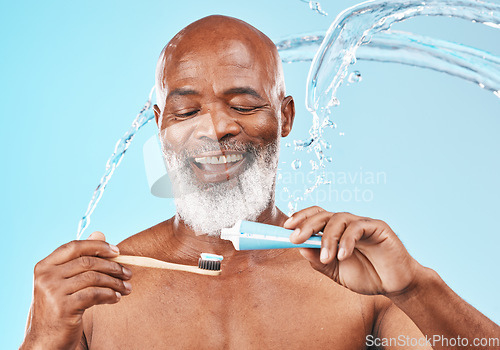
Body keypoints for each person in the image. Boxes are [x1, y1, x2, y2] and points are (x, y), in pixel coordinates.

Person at [21, 15, 499, 350]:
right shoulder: (99, 292)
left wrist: (415, 287)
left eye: (244, 105)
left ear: (285, 117)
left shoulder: (356, 287)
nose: (215, 129)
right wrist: (41, 339)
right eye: (187, 110)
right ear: (160, 123)